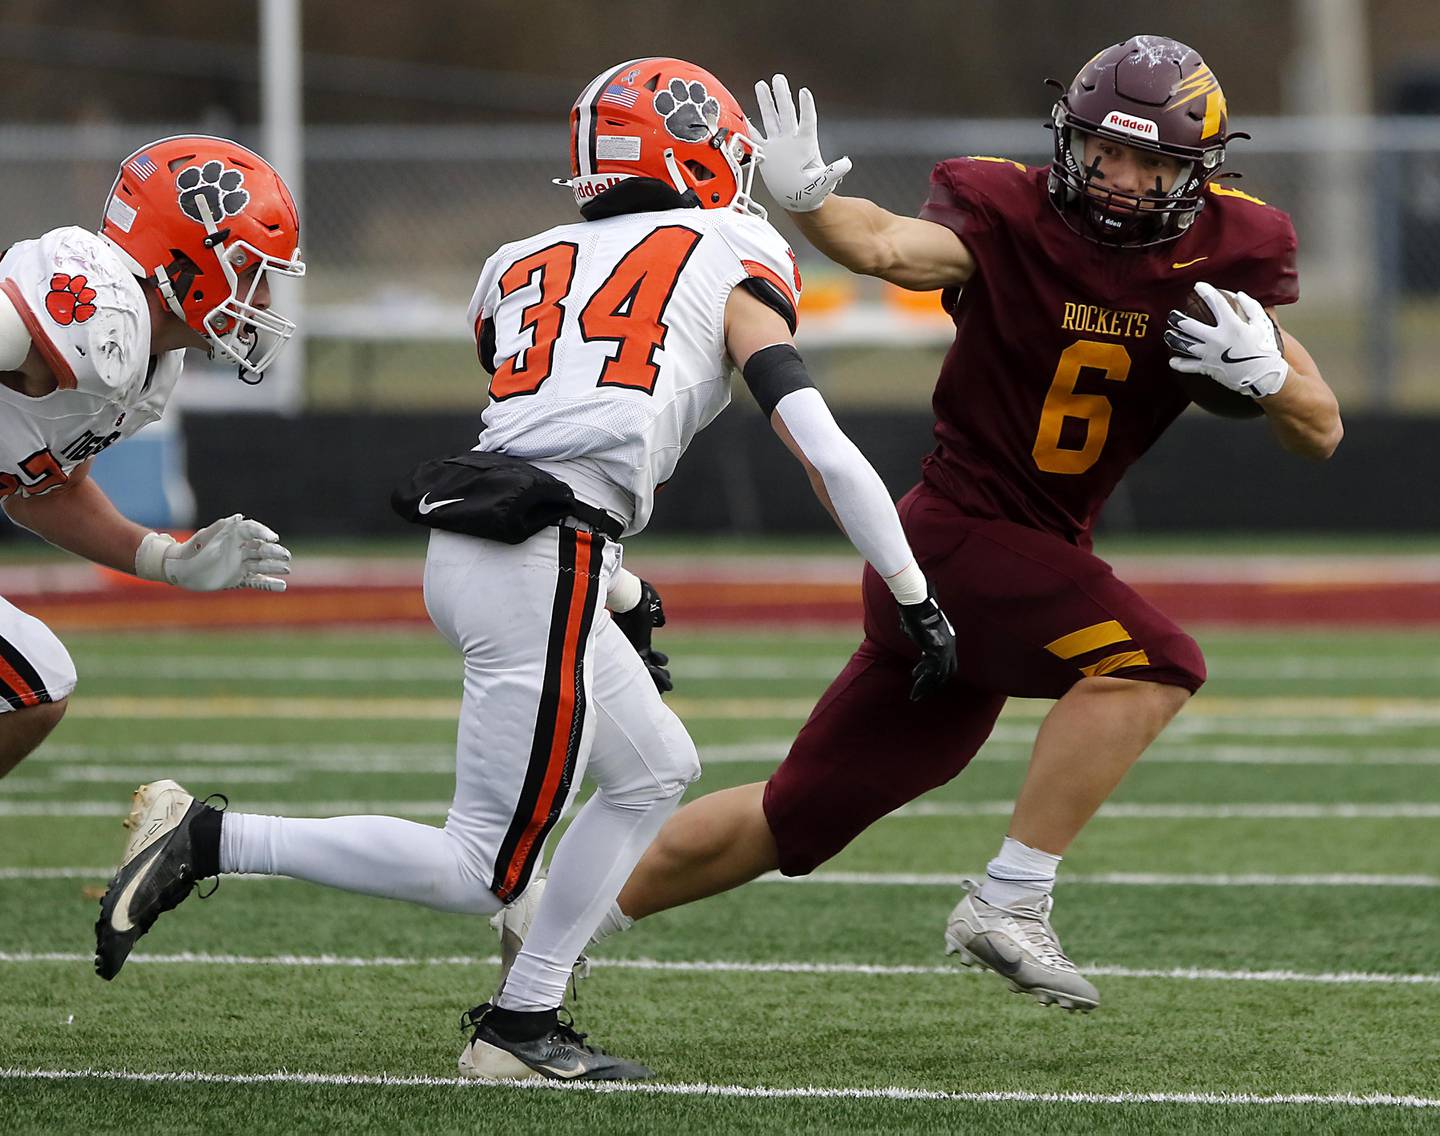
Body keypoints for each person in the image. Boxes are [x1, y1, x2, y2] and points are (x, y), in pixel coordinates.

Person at [92, 58, 957, 1082]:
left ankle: (524, 1017)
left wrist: (619, 587)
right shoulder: (733, 243)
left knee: (653, 765)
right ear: (692, 152)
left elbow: (554, 423)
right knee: (479, 868)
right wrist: (914, 592)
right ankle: (209, 837)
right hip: (541, 558)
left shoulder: (516, 260)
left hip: (506, 543)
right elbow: (815, 441)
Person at [549, 36, 1343, 1014]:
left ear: (1198, 171)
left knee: (796, 816)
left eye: (1156, 162)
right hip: (959, 532)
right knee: (1155, 661)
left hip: (1017, 554)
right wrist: (806, 202)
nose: (1127, 179)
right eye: (1108, 152)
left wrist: (1268, 378)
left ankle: (552, 926)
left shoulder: (1228, 248)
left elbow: (1322, 428)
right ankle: (1011, 897)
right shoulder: (1009, 213)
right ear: (1071, 140)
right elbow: (882, 243)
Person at [0, 135, 302, 779]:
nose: (265, 300)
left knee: (34, 685)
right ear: (189, 257)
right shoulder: (96, 301)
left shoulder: (151, 369)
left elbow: (44, 491)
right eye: (251, 271)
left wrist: (164, 558)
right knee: (32, 677)